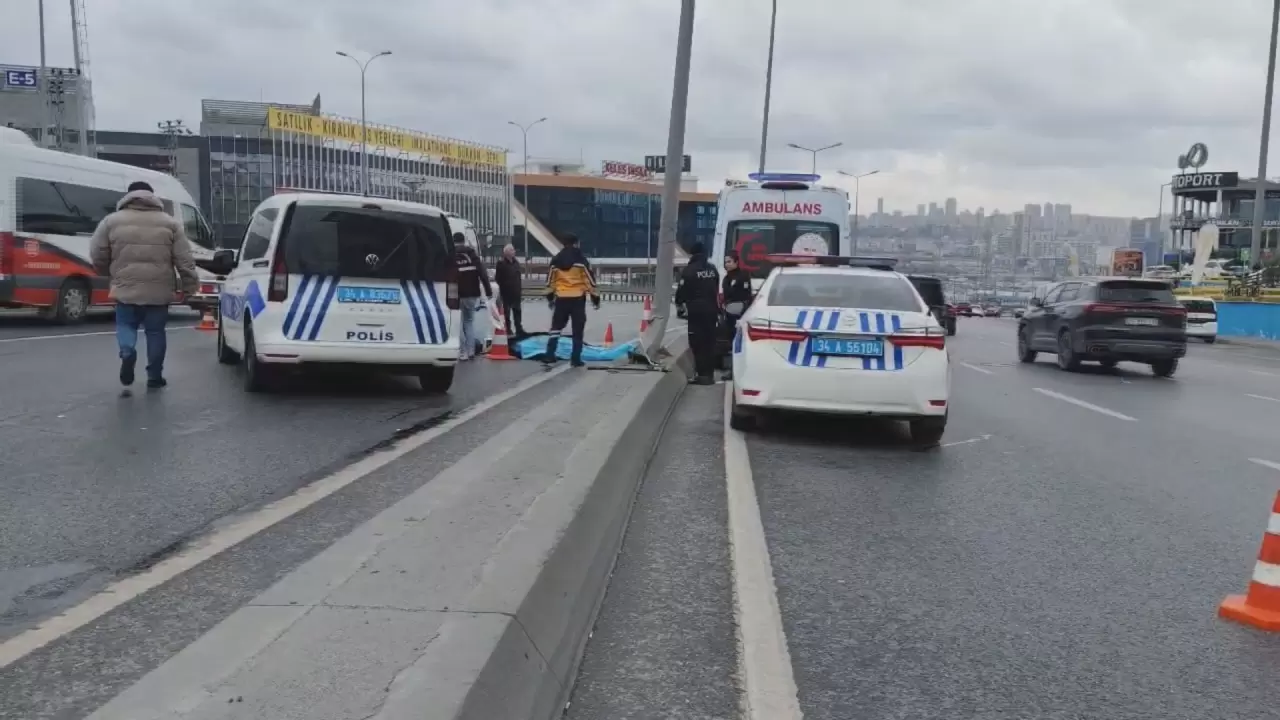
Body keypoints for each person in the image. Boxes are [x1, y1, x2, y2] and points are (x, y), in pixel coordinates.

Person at [90, 180, 198, 392]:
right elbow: (184, 260)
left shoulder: (111, 221)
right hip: (158, 291)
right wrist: (189, 286)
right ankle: (155, 376)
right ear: (152, 197)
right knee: (155, 332)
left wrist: (106, 272)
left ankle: (127, 352)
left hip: (125, 287)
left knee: (126, 325)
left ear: (128, 196)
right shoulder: (170, 223)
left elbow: (97, 252)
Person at [541, 233, 600, 367]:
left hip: (561, 298)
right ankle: (575, 359)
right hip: (577, 298)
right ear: (576, 244)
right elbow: (590, 281)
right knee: (577, 329)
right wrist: (595, 298)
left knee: (556, 327)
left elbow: (550, 282)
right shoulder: (581, 260)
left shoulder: (555, 260)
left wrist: (550, 298)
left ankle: (549, 354)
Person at [675, 240, 721, 385]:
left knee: (698, 343)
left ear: (692, 254)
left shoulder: (689, 270)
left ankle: (702, 375)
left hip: (696, 312)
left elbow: (681, 293)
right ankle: (709, 375)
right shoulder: (712, 269)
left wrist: (679, 304)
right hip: (712, 311)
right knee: (710, 343)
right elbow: (715, 287)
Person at [452, 233, 493, 360]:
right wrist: (488, 291)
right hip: (472, 294)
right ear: (463, 240)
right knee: (468, 321)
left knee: (458, 323)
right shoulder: (472, 254)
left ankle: (462, 351)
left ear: (453, 241)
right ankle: (471, 351)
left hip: (456, 294)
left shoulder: (451, 255)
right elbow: (483, 274)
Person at [719, 251, 753, 380]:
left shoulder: (743, 276)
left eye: (729, 261)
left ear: (736, 262)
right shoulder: (726, 278)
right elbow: (727, 294)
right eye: (725, 262)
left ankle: (739, 371)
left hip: (741, 314)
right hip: (729, 314)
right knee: (731, 342)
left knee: (741, 343)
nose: (727, 264)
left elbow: (745, 294)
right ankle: (732, 370)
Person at [494, 244, 526, 337]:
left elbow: (518, 277)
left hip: (516, 292)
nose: (514, 251)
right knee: (506, 313)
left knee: (517, 311)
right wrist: (503, 286)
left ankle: (519, 329)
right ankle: (508, 330)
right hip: (506, 293)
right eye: (512, 250)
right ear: (506, 252)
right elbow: (498, 278)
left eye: (513, 250)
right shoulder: (501, 263)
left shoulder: (516, 263)